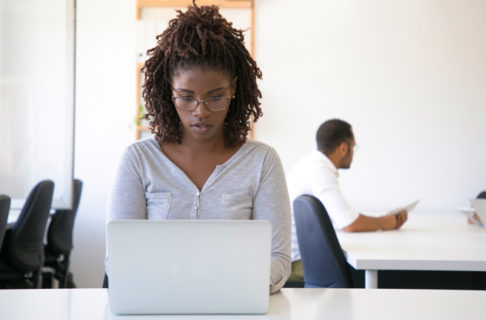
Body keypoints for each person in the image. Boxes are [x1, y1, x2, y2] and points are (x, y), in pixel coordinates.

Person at [106, 2, 290, 294]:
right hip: (158, 308)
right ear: (169, 91)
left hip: (235, 307)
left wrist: (218, 286)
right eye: (186, 97)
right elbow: (117, 260)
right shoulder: (138, 160)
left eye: (215, 97)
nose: (200, 112)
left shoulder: (262, 162)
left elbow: (279, 260)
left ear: (234, 89)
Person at [286, 119, 408, 283]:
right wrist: (386, 223)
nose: (353, 152)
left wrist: (382, 221)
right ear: (343, 148)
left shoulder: (310, 164)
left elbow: (341, 219)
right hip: (300, 263)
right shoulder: (320, 170)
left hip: (299, 256)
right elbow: (349, 223)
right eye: (353, 146)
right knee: (379, 276)